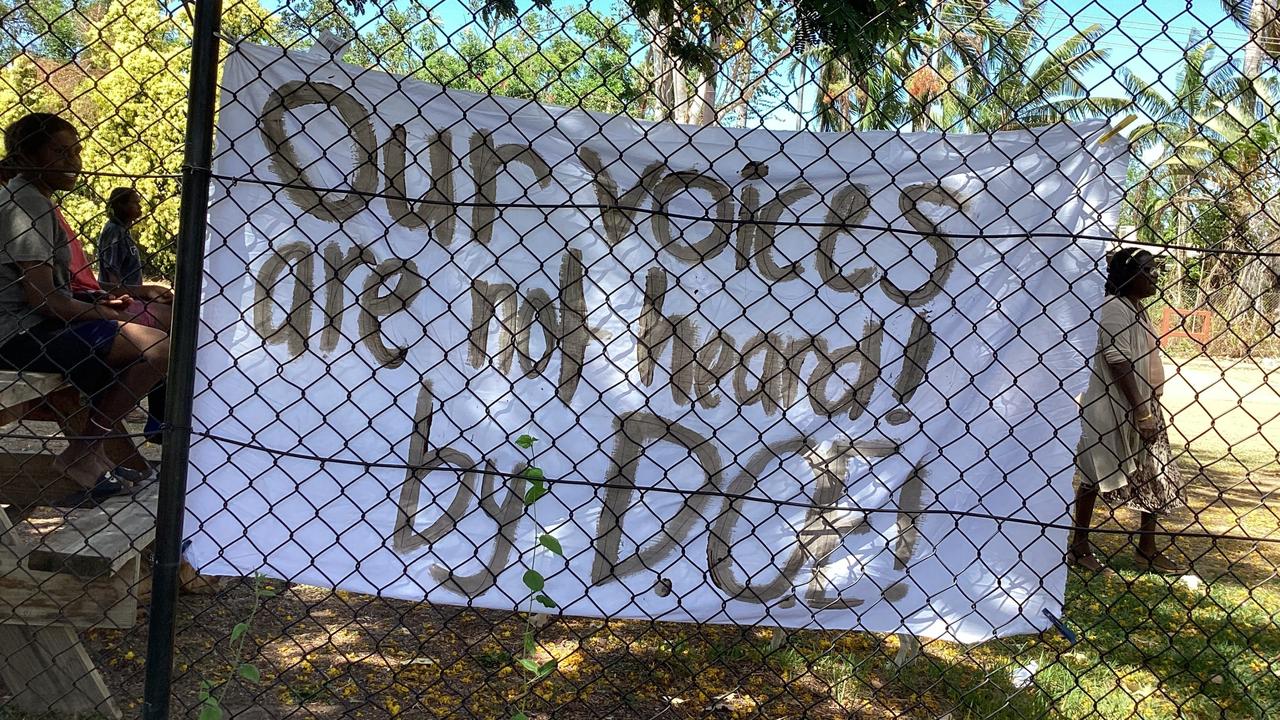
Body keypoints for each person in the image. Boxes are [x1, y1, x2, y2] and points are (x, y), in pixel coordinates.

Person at [0, 113, 169, 503]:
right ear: (27, 156)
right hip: (17, 333)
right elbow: (43, 299)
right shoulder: (27, 205)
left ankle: (107, 454)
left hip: (34, 327)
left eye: (76, 151)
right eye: (59, 153)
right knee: (156, 346)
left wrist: (97, 301)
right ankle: (85, 451)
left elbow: (52, 292)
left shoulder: (31, 198)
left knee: (128, 349)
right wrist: (103, 314)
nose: (74, 161)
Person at [1069, 247, 1186, 575]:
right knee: (1095, 473)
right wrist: (1142, 412)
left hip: (1145, 405)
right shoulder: (1114, 307)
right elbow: (1116, 359)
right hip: (1117, 406)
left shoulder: (1137, 308)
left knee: (1155, 472)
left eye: (1153, 270)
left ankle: (1146, 549)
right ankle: (1079, 547)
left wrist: (1149, 407)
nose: (1154, 277)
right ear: (1126, 275)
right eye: (1146, 270)